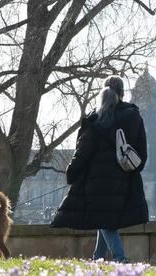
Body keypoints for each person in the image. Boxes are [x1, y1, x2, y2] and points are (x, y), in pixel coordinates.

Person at [52, 77, 148, 261]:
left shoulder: (96, 120)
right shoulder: (133, 117)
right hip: (125, 178)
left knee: (105, 220)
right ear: (122, 93)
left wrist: (71, 173)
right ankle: (98, 258)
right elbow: (141, 153)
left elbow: (82, 153)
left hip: (98, 181)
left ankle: (121, 260)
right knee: (105, 218)